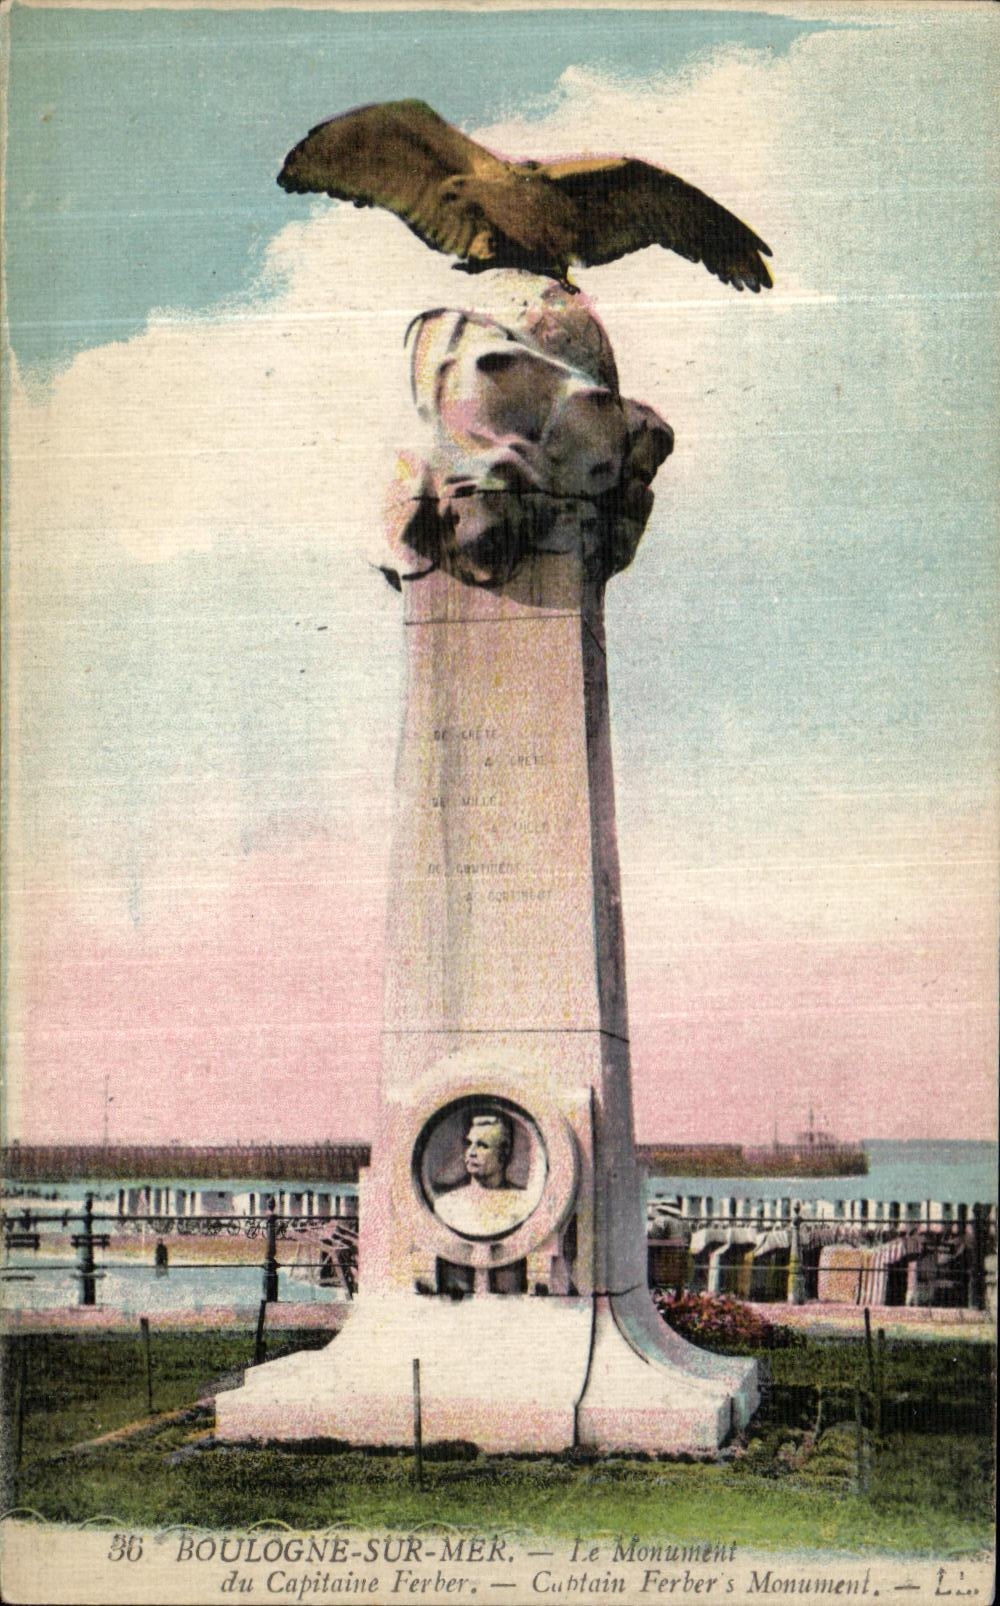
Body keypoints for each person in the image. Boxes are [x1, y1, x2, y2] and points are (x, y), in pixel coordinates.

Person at [433, 1110, 527, 1238]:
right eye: (469, 1144)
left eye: (482, 1145)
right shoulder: (448, 1205)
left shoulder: (522, 1204)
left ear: (503, 1152)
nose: (471, 1152)